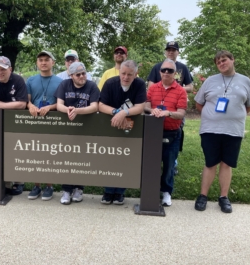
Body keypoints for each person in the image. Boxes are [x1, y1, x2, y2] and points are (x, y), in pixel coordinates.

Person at [194, 50, 250, 213]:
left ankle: (223, 197)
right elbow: (199, 103)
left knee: (227, 164)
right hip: (210, 130)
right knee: (210, 162)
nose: (221, 63)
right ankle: (203, 196)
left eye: (224, 60)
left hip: (233, 130)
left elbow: (248, 106)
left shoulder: (245, 81)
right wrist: (210, 115)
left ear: (233, 60)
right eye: (218, 62)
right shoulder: (210, 81)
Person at [98, 60, 146, 205]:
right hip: (110, 126)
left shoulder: (139, 84)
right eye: (123, 73)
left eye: (129, 75)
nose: (125, 77)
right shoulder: (110, 83)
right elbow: (100, 105)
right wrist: (115, 112)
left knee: (125, 158)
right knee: (110, 157)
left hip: (130, 127)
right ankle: (108, 191)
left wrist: (124, 113)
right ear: (119, 72)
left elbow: (140, 107)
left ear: (135, 74)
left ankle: (120, 192)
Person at [54, 62, 100, 205]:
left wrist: (77, 111)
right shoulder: (64, 85)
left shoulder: (92, 86)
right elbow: (59, 104)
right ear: (71, 75)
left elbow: (95, 106)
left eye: (83, 73)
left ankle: (79, 188)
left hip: (86, 128)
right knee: (67, 158)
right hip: (67, 127)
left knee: (82, 159)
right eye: (78, 74)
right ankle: (67, 190)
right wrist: (68, 110)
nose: (82, 76)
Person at [145, 59, 187, 207]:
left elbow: (181, 113)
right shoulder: (153, 88)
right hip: (153, 133)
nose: (166, 73)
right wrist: (152, 110)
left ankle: (166, 192)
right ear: (160, 72)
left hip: (172, 133)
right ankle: (150, 191)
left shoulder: (181, 91)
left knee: (169, 165)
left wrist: (168, 113)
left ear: (175, 73)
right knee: (152, 164)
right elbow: (146, 104)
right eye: (164, 70)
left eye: (170, 71)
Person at [147, 41, 194, 175]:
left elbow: (191, 87)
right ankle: (154, 165)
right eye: (168, 49)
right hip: (157, 107)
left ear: (178, 52)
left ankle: (172, 164)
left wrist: (175, 89)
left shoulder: (183, 67)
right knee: (155, 138)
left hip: (176, 106)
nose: (171, 52)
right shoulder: (157, 67)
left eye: (174, 50)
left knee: (175, 134)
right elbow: (150, 86)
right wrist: (163, 87)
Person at [0, 56, 28, 196]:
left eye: (3, 69)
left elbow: (22, 104)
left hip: (16, 122)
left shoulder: (18, 80)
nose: (0, 72)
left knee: (17, 151)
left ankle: (19, 182)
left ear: (10, 69)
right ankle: (4, 183)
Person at [26, 50, 62, 201]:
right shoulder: (30, 80)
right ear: (37, 63)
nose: (43, 62)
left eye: (47, 59)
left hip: (52, 122)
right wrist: (30, 106)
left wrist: (50, 107)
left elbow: (61, 103)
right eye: (40, 59)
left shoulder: (60, 81)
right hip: (34, 121)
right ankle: (36, 185)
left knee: (49, 154)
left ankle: (49, 186)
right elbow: (26, 100)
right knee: (35, 153)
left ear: (53, 62)